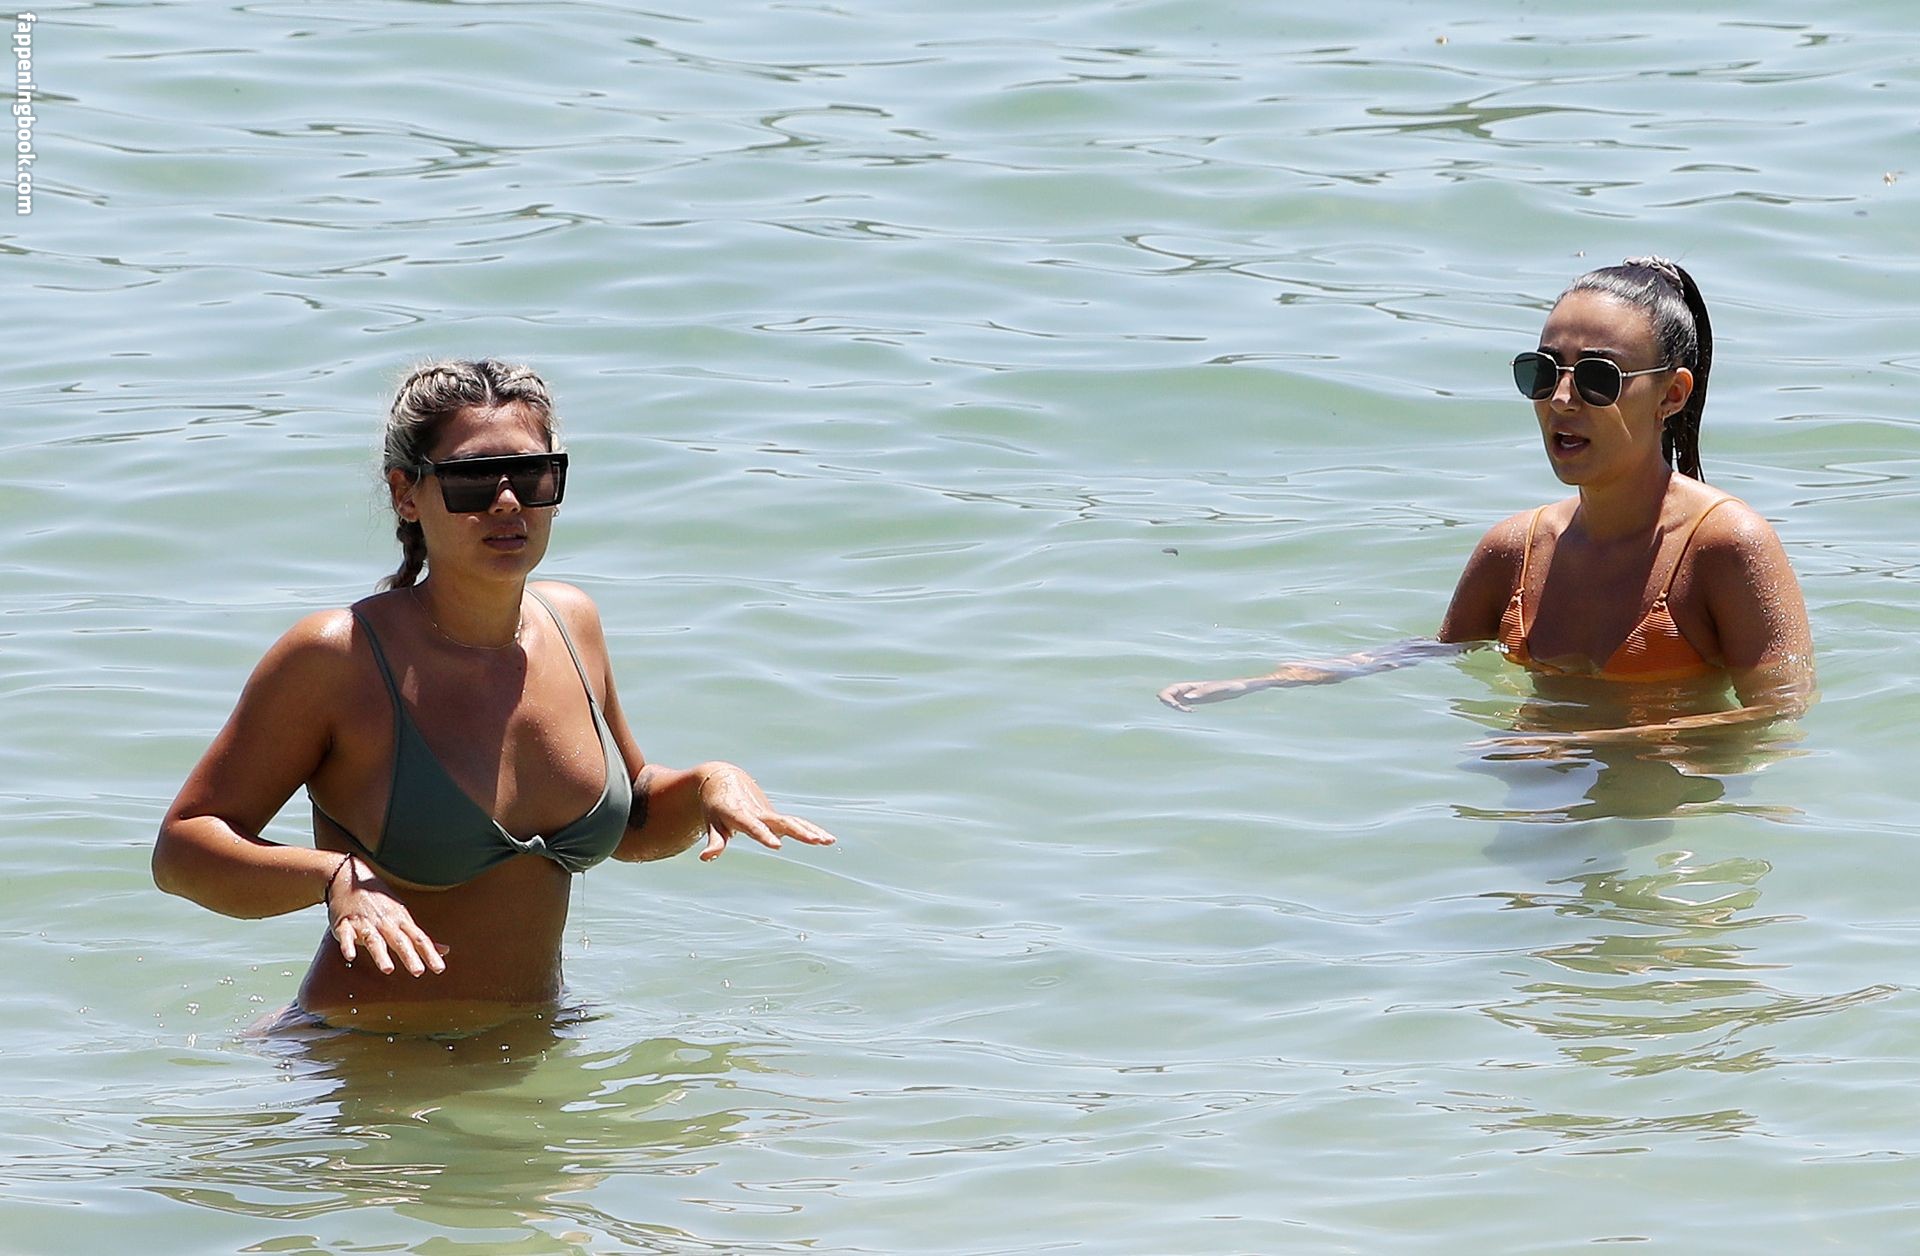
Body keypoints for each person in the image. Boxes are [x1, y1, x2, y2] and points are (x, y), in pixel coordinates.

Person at [155, 359, 836, 1034]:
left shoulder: (572, 623)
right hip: (366, 1054)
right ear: (406, 494)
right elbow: (182, 852)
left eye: (532, 476)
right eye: (473, 479)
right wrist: (336, 878)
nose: (507, 502)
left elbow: (633, 823)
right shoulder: (339, 655)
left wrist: (711, 784)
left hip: (538, 1041)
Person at [1159, 257, 1813, 726]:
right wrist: (1266, 682)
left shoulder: (1726, 546)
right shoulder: (1514, 550)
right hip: (1532, 809)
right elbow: (1430, 653)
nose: (1562, 399)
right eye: (1543, 372)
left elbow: (1779, 717)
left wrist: (1598, 743)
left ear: (1671, 394)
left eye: (1597, 378)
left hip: (1668, 833)